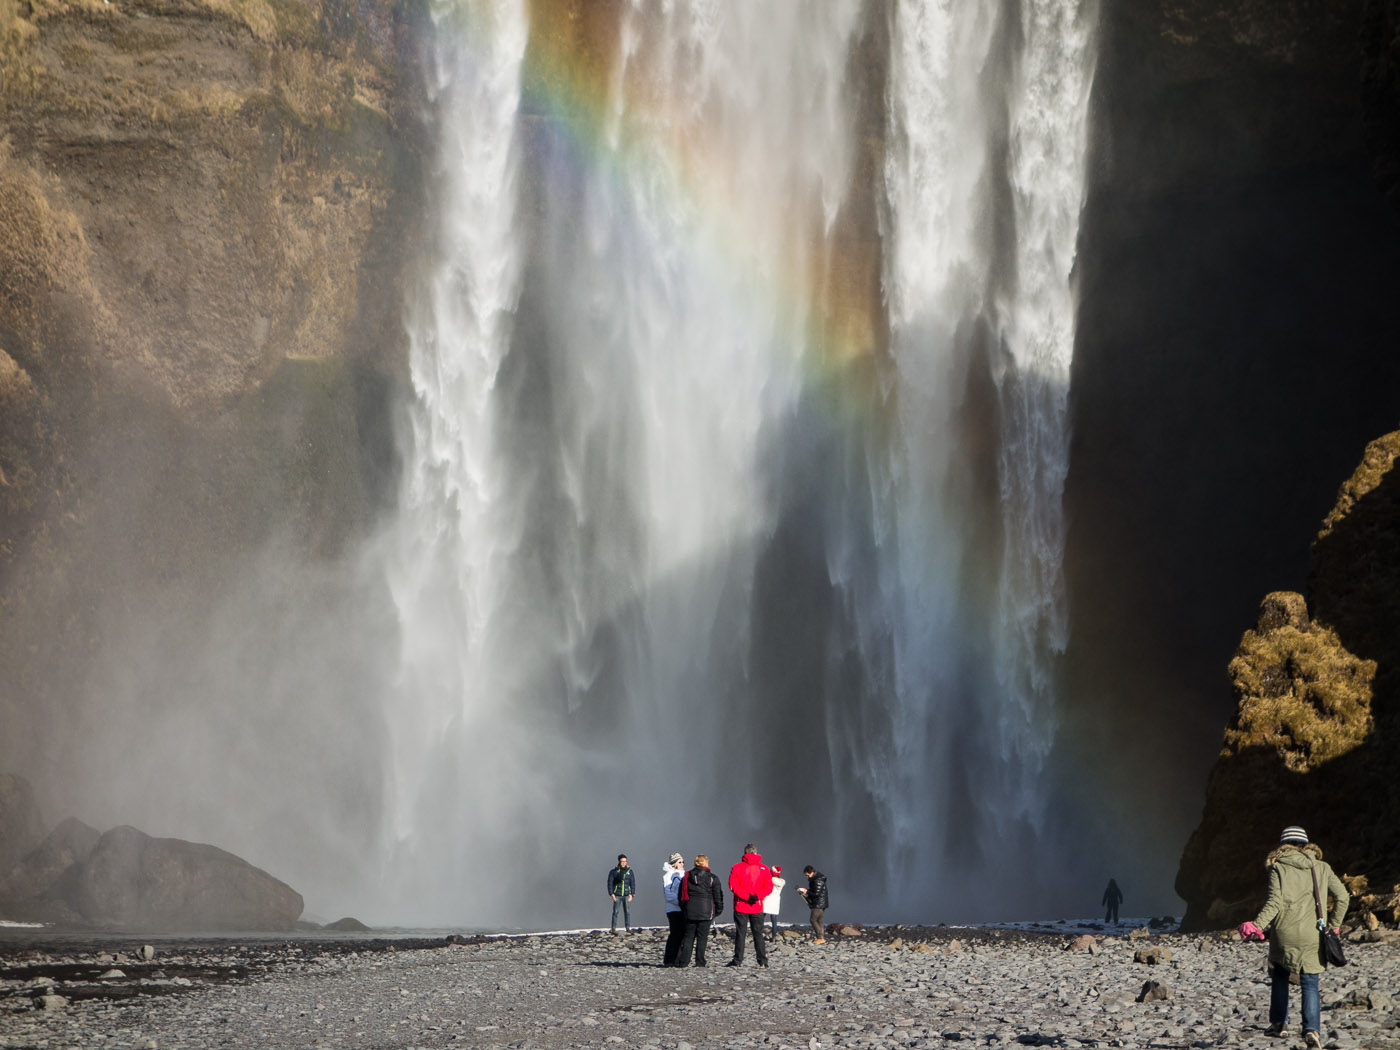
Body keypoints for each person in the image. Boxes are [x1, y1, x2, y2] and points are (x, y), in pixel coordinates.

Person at [1237, 826, 1350, 1048]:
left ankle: (1279, 1024)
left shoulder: (1278, 867)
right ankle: (1312, 1030)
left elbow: (1275, 902)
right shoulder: (1322, 867)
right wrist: (1334, 926)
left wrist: (1256, 925)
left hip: (1284, 933)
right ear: (1306, 844)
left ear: (1283, 845)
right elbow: (1343, 897)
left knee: (1280, 974)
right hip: (1314, 934)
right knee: (1310, 981)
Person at [725, 843, 774, 967]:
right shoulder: (764, 868)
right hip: (757, 906)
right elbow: (768, 887)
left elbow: (733, 886)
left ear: (745, 853)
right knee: (758, 933)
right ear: (756, 853)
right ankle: (762, 961)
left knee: (741, 933)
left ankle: (737, 960)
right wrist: (756, 897)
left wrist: (746, 897)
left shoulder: (736, 867)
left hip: (741, 905)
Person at [676, 853, 724, 967]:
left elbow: (681, 896)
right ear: (706, 863)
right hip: (706, 912)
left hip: (690, 912)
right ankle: (700, 961)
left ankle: (684, 962)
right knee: (702, 937)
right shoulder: (713, 878)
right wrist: (718, 910)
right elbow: (718, 896)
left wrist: (685, 909)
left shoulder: (686, 877)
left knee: (689, 937)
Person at [661, 852, 686, 966]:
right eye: (680, 862)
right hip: (673, 909)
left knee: (682, 935)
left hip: (682, 909)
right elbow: (668, 894)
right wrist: (680, 902)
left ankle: (678, 959)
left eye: (683, 862)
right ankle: (669, 960)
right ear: (674, 863)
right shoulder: (668, 876)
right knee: (675, 935)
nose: (682, 864)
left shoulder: (683, 875)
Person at [796, 864, 828, 943]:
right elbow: (815, 891)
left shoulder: (817, 880)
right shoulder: (817, 879)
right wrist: (807, 892)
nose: (807, 877)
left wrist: (806, 891)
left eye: (807, 875)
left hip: (818, 904)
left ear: (811, 872)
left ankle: (820, 937)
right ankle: (821, 938)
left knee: (813, 920)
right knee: (819, 920)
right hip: (821, 903)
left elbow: (816, 893)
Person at [607, 854, 635, 933]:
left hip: (626, 894)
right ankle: (613, 928)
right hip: (617, 895)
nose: (623, 863)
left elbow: (632, 883)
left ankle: (628, 927)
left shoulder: (630, 871)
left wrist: (632, 894)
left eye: (625, 861)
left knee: (627, 912)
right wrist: (611, 894)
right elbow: (610, 883)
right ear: (619, 861)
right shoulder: (614, 871)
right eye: (622, 861)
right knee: (615, 912)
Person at [763, 864, 786, 940]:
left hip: (767, 899)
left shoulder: (769, 879)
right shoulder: (782, 882)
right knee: (774, 920)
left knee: (761, 917)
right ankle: (774, 935)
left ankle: (758, 932)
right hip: (776, 901)